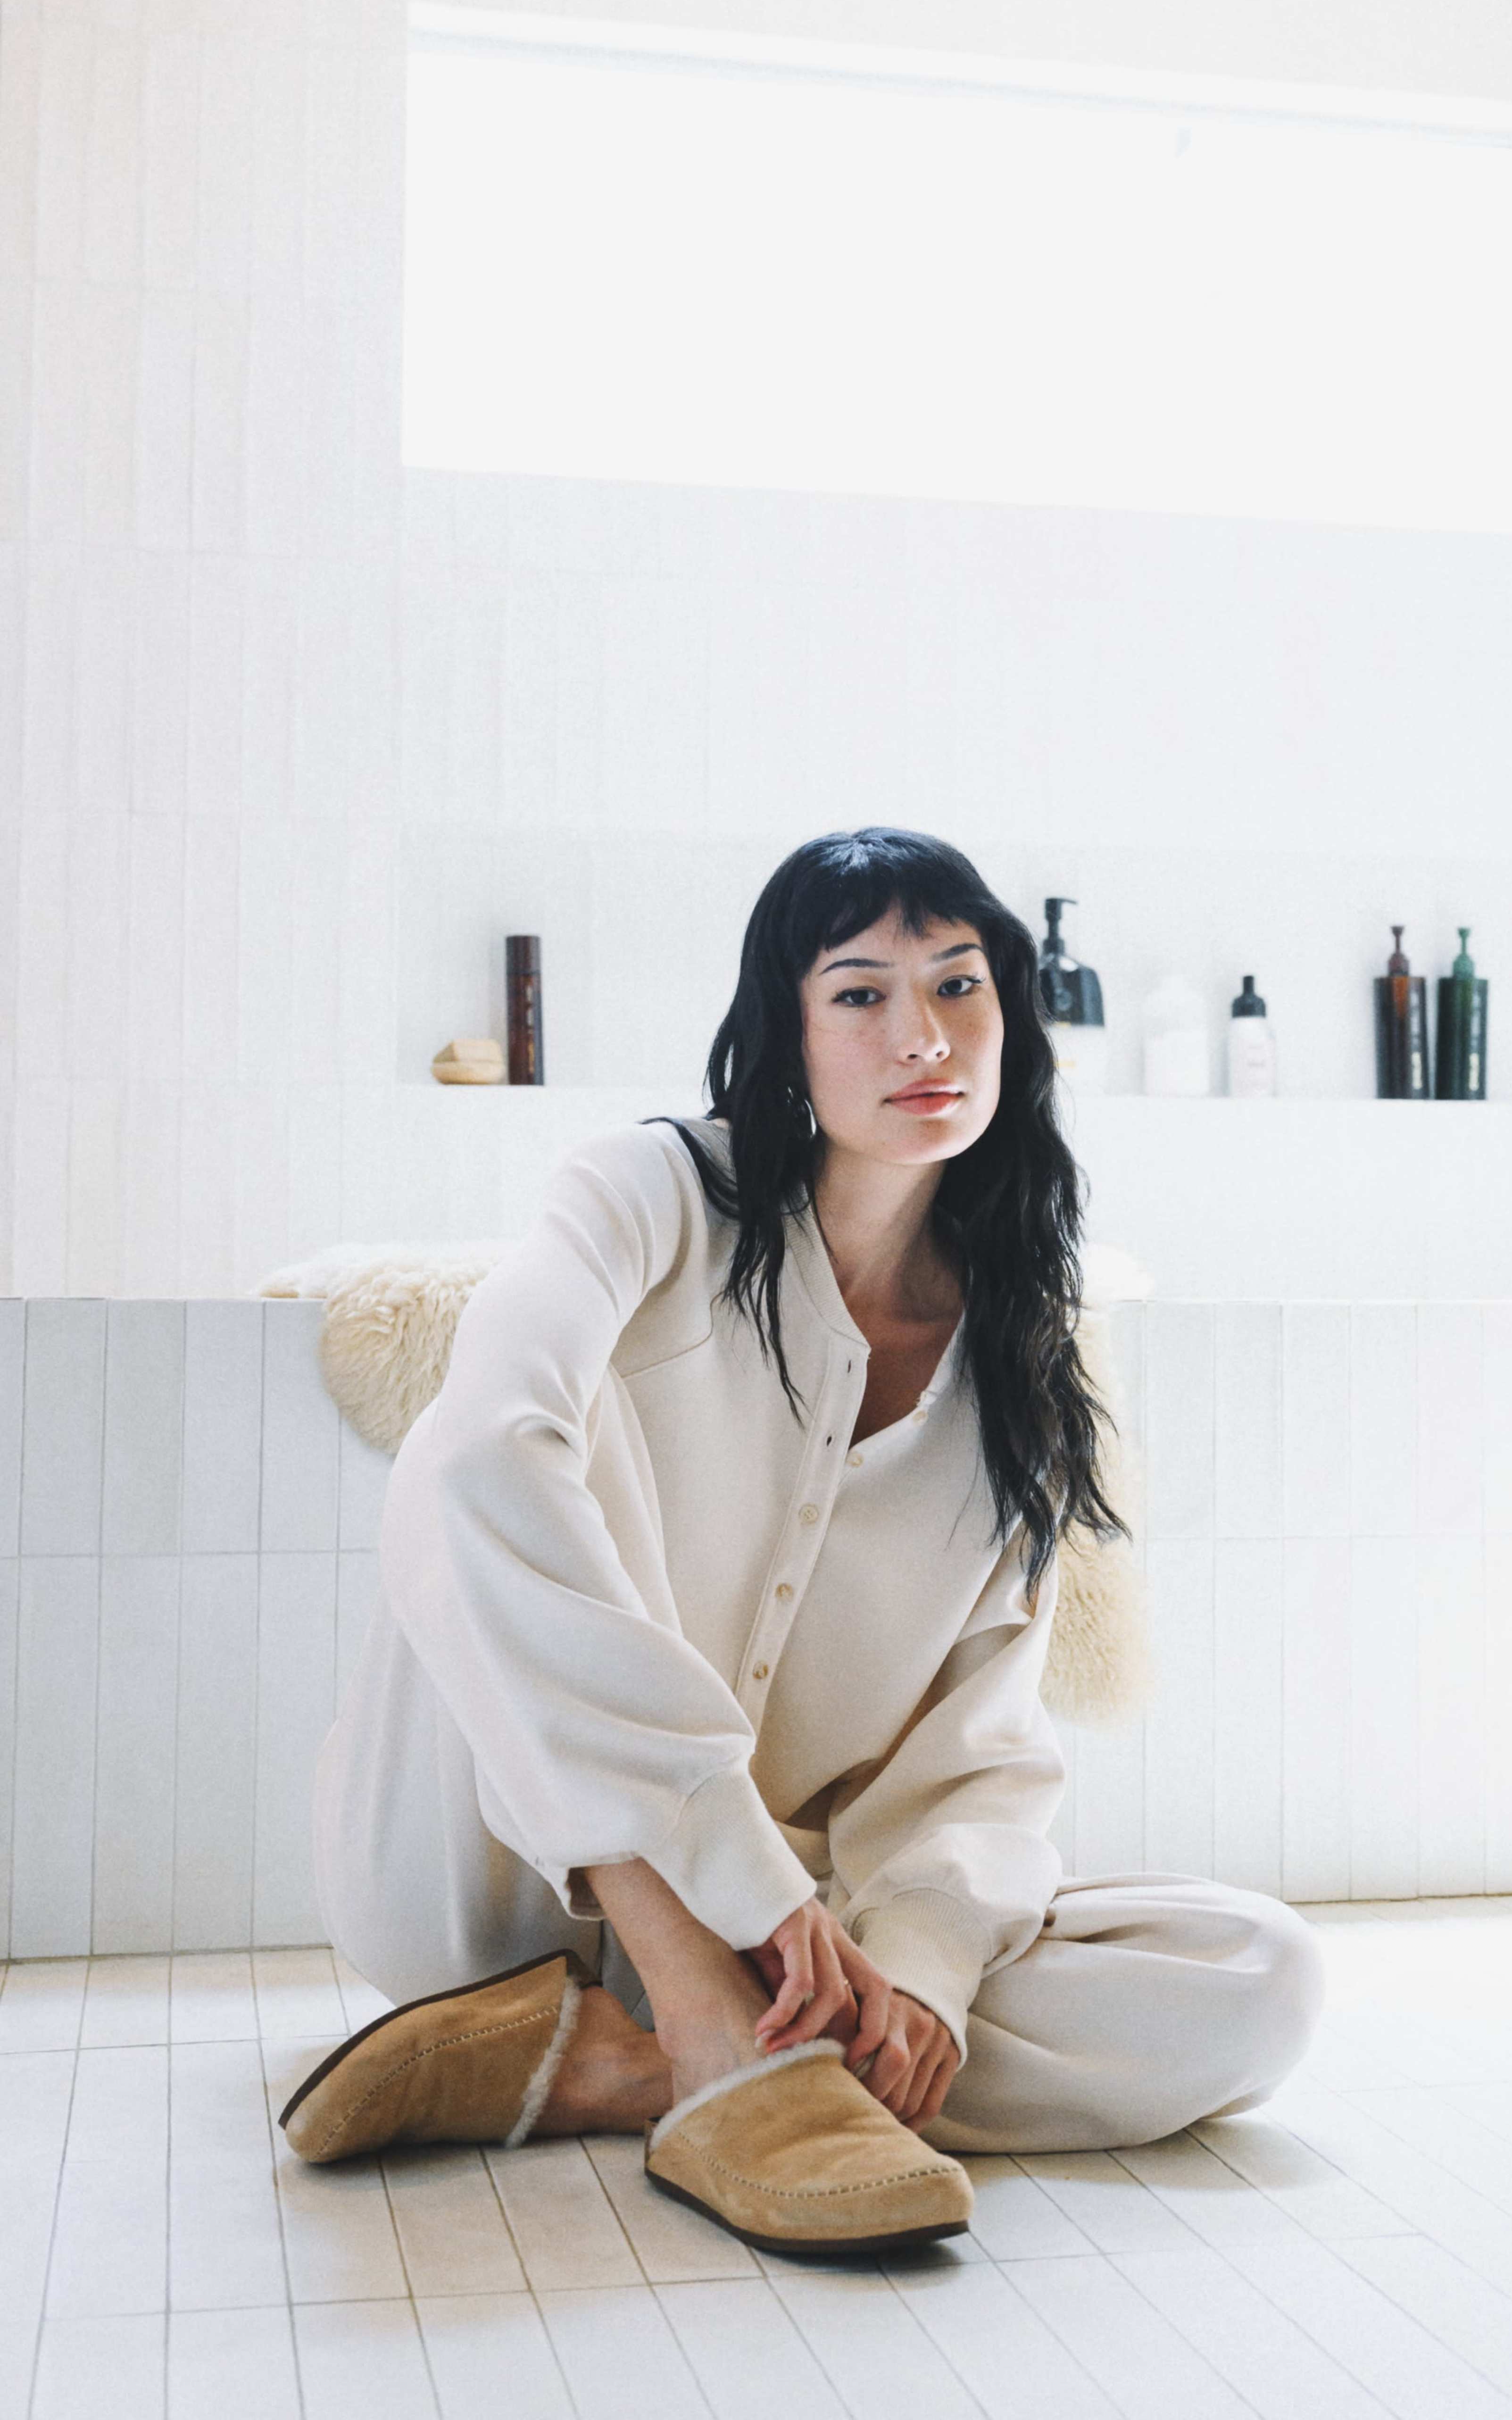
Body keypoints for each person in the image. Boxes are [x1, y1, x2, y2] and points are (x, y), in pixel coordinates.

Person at [281, 828, 1321, 2258]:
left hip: (795, 1948)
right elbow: (474, 1479)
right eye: (860, 993)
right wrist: (730, 1877)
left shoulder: (1015, 1351)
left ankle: (640, 2068)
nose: (923, 1034)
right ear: (788, 1030)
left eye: (959, 985)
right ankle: (694, 2011)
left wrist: (922, 1974)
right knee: (490, 1453)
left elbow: (982, 1755)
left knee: (1259, 1971)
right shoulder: (647, 1199)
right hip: (489, 1884)